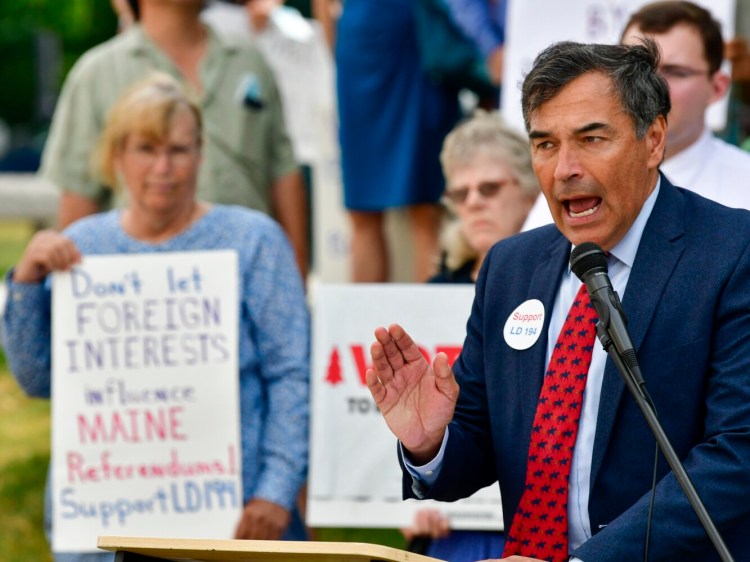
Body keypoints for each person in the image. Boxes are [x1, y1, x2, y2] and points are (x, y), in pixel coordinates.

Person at [366, 39, 750, 561]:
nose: (564, 167)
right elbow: (476, 446)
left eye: (591, 139)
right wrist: (430, 444)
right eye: (545, 144)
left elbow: (737, 455)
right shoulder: (510, 267)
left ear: (653, 138)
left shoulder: (731, 252)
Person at [2, 73, 310, 561]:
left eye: (179, 150)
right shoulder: (81, 248)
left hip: (240, 522)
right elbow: (39, 381)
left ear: (201, 153)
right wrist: (24, 285)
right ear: (116, 156)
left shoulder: (254, 241)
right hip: (106, 524)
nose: (163, 168)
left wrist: (276, 489)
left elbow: (292, 372)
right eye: (146, 149)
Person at [40, 0, 309, 278]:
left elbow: (284, 175)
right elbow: (79, 200)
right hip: (141, 287)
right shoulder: (97, 72)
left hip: (248, 277)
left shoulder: (248, 60)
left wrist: (294, 279)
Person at [404, 110, 539, 559]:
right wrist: (404, 503)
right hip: (450, 528)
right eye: (461, 194)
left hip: (536, 520)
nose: (474, 202)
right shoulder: (432, 293)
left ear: (531, 186)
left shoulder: (566, 285)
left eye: (490, 188)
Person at [522, 0, 750, 230]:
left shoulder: (744, 186)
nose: (650, 85)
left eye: (675, 72)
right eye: (633, 72)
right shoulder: (568, 186)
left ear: (718, 87)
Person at [336, 0, 461, 282]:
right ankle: (369, 324)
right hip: (378, 36)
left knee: (424, 206)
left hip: (407, 34)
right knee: (369, 209)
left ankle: (426, 321)